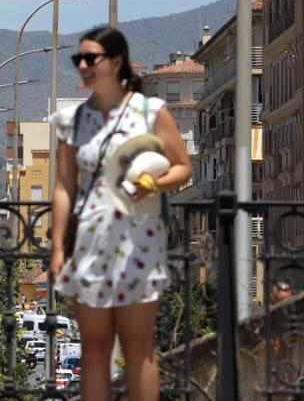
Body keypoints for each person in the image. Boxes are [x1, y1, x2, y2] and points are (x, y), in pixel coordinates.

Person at [48, 27, 191, 401]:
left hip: (138, 238)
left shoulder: (150, 112)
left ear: (115, 62)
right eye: (77, 59)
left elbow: (181, 167)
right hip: (89, 241)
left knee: (138, 348)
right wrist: (57, 247)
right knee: (93, 350)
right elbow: (64, 186)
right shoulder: (71, 121)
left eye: (90, 58)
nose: (82, 65)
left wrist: (153, 185)